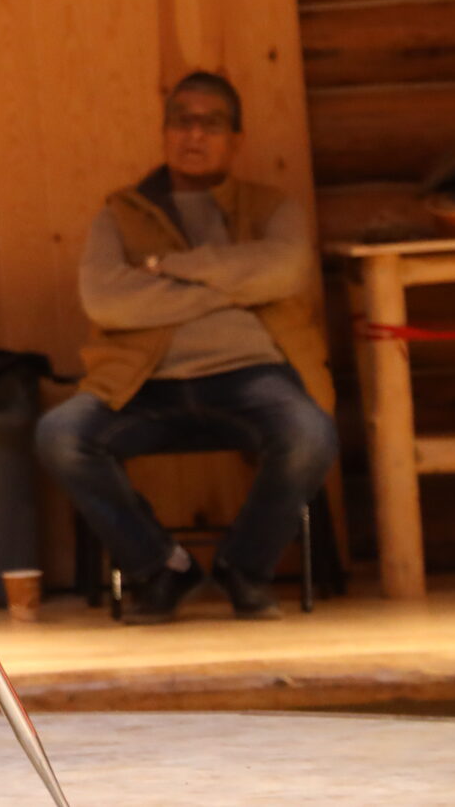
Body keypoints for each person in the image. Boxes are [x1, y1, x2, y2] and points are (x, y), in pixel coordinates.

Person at [36, 72, 338, 622]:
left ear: (235, 139)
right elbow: (105, 300)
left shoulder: (271, 208)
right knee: (60, 436)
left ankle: (244, 567)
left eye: (211, 123)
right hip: (143, 382)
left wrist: (168, 270)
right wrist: (230, 290)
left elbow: (286, 271)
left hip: (254, 374)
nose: (194, 134)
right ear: (165, 131)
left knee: (310, 433)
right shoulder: (119, 214)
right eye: (182, 121)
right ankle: (160, 568)